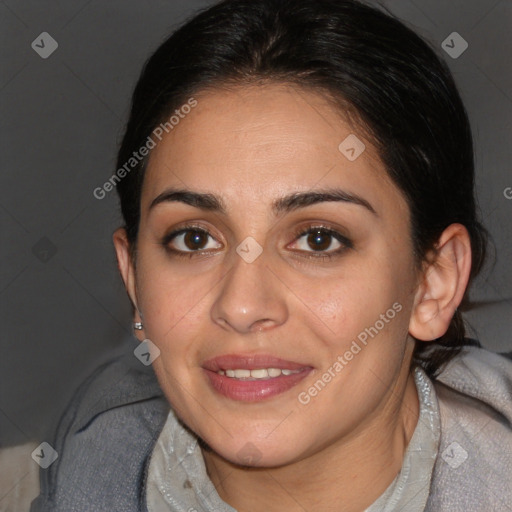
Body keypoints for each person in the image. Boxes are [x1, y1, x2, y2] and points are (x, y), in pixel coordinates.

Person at [31, 0, 512, 510]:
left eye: (318, 239)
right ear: (134, 281)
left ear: (433, 282)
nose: (241, 305)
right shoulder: (91, 444)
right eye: (194, 239)